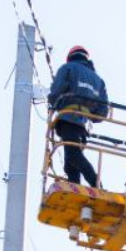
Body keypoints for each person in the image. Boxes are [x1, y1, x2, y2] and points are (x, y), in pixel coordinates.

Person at [47, 45, 108, 187]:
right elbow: (102, 112)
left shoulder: (67, 69)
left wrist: (55, 102)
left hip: (68, 118)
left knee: (73, 155)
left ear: (70, 58)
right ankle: (74, 187)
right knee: (70, 162)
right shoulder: (98, 81)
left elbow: (55, 92)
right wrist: (89, 113)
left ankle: (96, 184)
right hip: (84, 125)